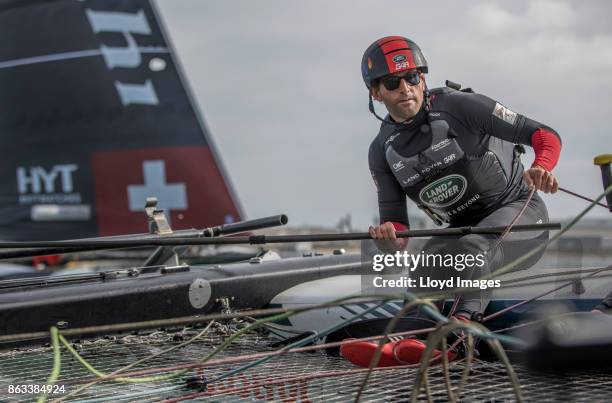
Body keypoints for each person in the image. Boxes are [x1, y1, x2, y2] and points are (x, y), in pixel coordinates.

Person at [341, 36, 562, 367]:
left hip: (522, 217)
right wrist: (390, 239)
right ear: (376, 92)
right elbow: (398, 228)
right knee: (424, 264)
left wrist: (541, 166)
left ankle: (460, 339)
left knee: (471, 248)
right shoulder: (381, 150)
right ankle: (405, 338)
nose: (406, 88)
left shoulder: (461, 107)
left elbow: (544, 135)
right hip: (463, 233)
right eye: (393, 82)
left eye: (413, 77)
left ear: (423, 79)